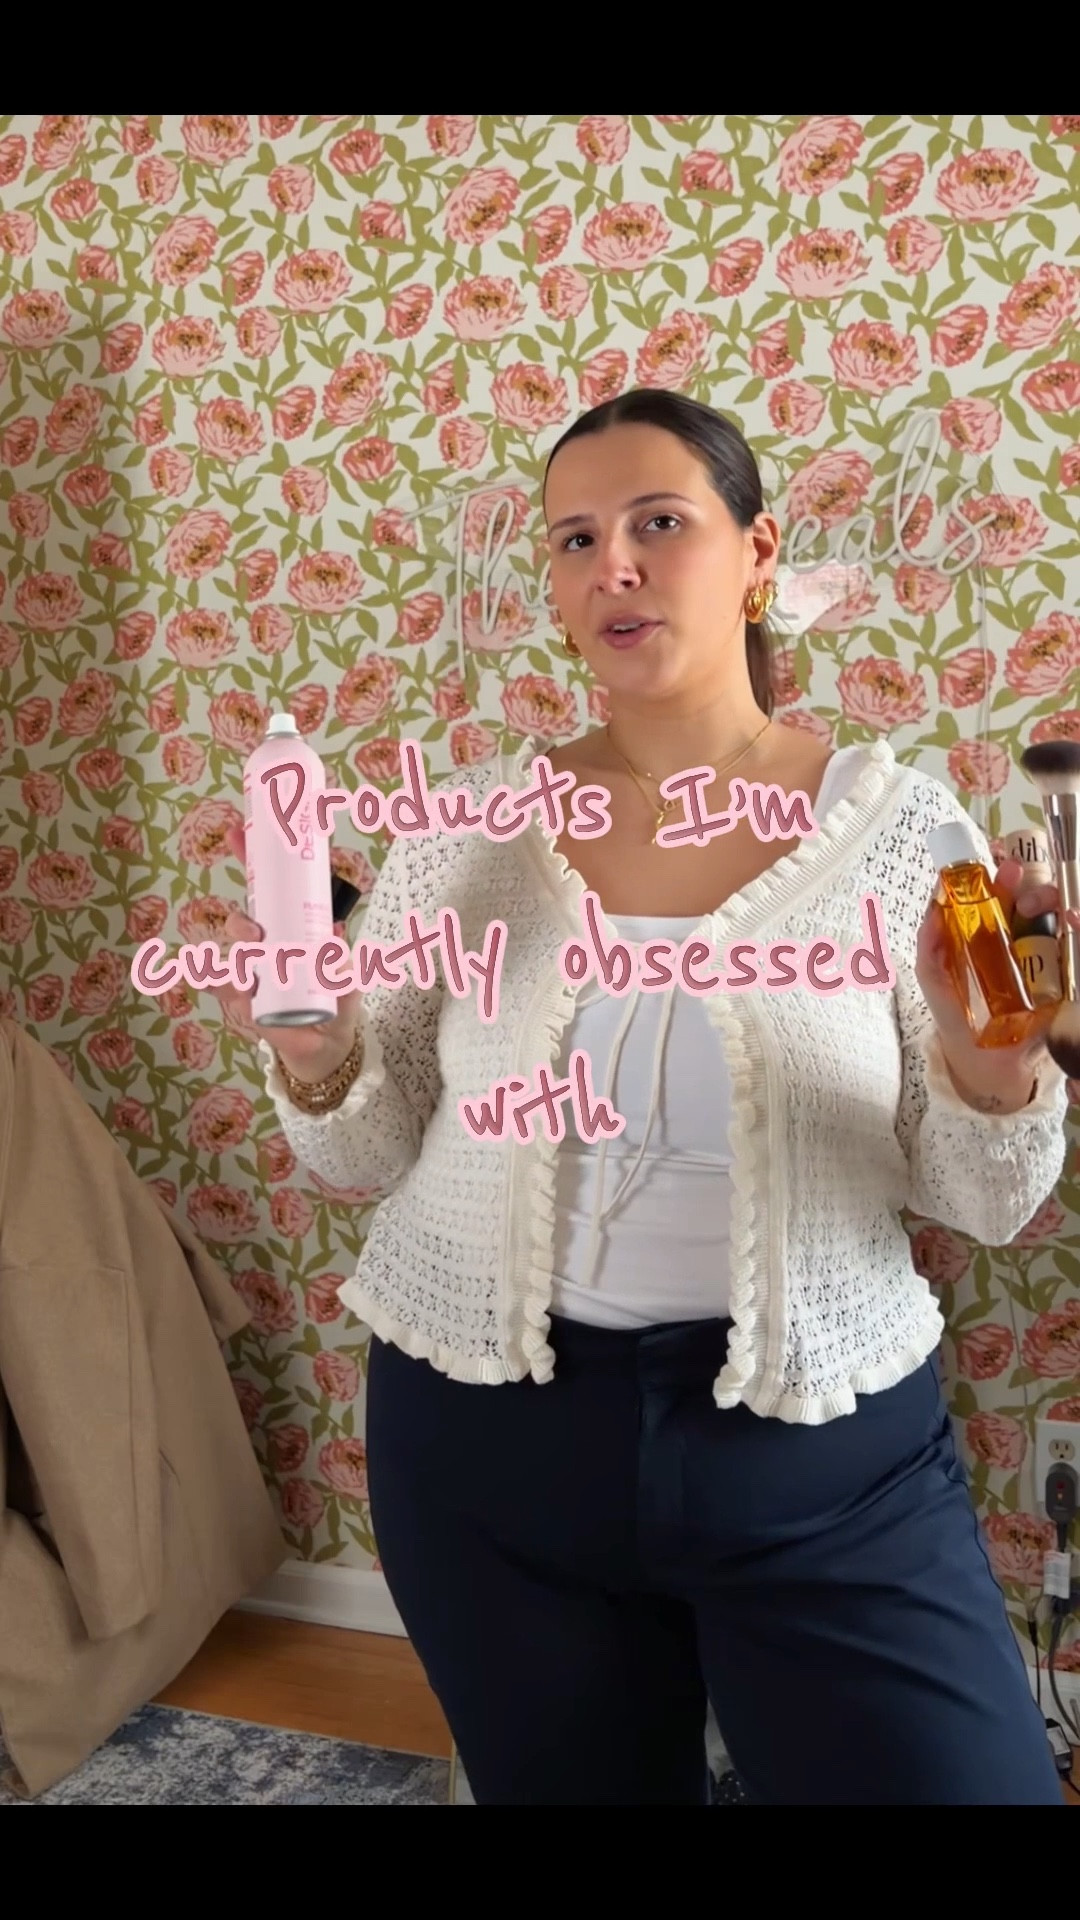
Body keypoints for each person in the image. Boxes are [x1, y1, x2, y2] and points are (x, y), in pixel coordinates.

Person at [212, 389, 1073, 1806]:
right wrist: (316, 1052)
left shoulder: (916, 832)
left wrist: (994, 1058)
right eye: (575, 539)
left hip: (823, 1460)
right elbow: (359, 1157)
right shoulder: (463, 834)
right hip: (486, 1450)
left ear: (757, 553)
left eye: (658, 522)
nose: (613, 563)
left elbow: (987, 1201)